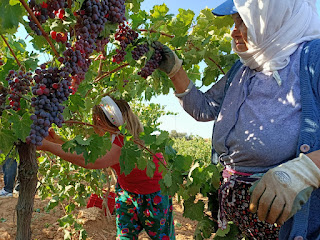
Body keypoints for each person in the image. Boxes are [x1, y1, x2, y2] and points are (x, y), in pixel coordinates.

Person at [155, 0, 320, 239]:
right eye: (234, 22)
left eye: (243, 20)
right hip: (239, 221)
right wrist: (175, 72)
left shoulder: (312, 59)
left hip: (290, 225)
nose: (233, 31)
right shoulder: (242, 70)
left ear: (275, 16)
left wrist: (306, 171)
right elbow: (205, 109)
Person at [37, 96, 175, 240]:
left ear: (99, 120)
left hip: (153, 195)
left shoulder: (123, 142)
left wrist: (48, 146)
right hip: (126, 191)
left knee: (162, 237)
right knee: (125, 236)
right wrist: (57, 141)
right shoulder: (113, 136)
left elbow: (90, 161)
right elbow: (85, 152)